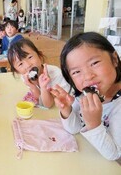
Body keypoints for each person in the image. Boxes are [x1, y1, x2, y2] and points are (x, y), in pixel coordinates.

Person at [50, 32, 121, 160]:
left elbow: (114, 154)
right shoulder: (84, 95)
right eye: (76, 72)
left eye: (94, 63)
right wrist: (66, 110)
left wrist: (94, 124)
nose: (88, 76)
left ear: (114, 59)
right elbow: (74, 128)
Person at [7, 38, 71, 108]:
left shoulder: (55, 73)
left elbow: (48, 104)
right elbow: (40, 99)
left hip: (68, 103)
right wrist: (32, 86)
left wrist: (43, 87)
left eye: (30, 57)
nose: (28, 65)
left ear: (40, 56)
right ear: (17, 71)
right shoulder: (25, 77)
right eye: (20, 64)